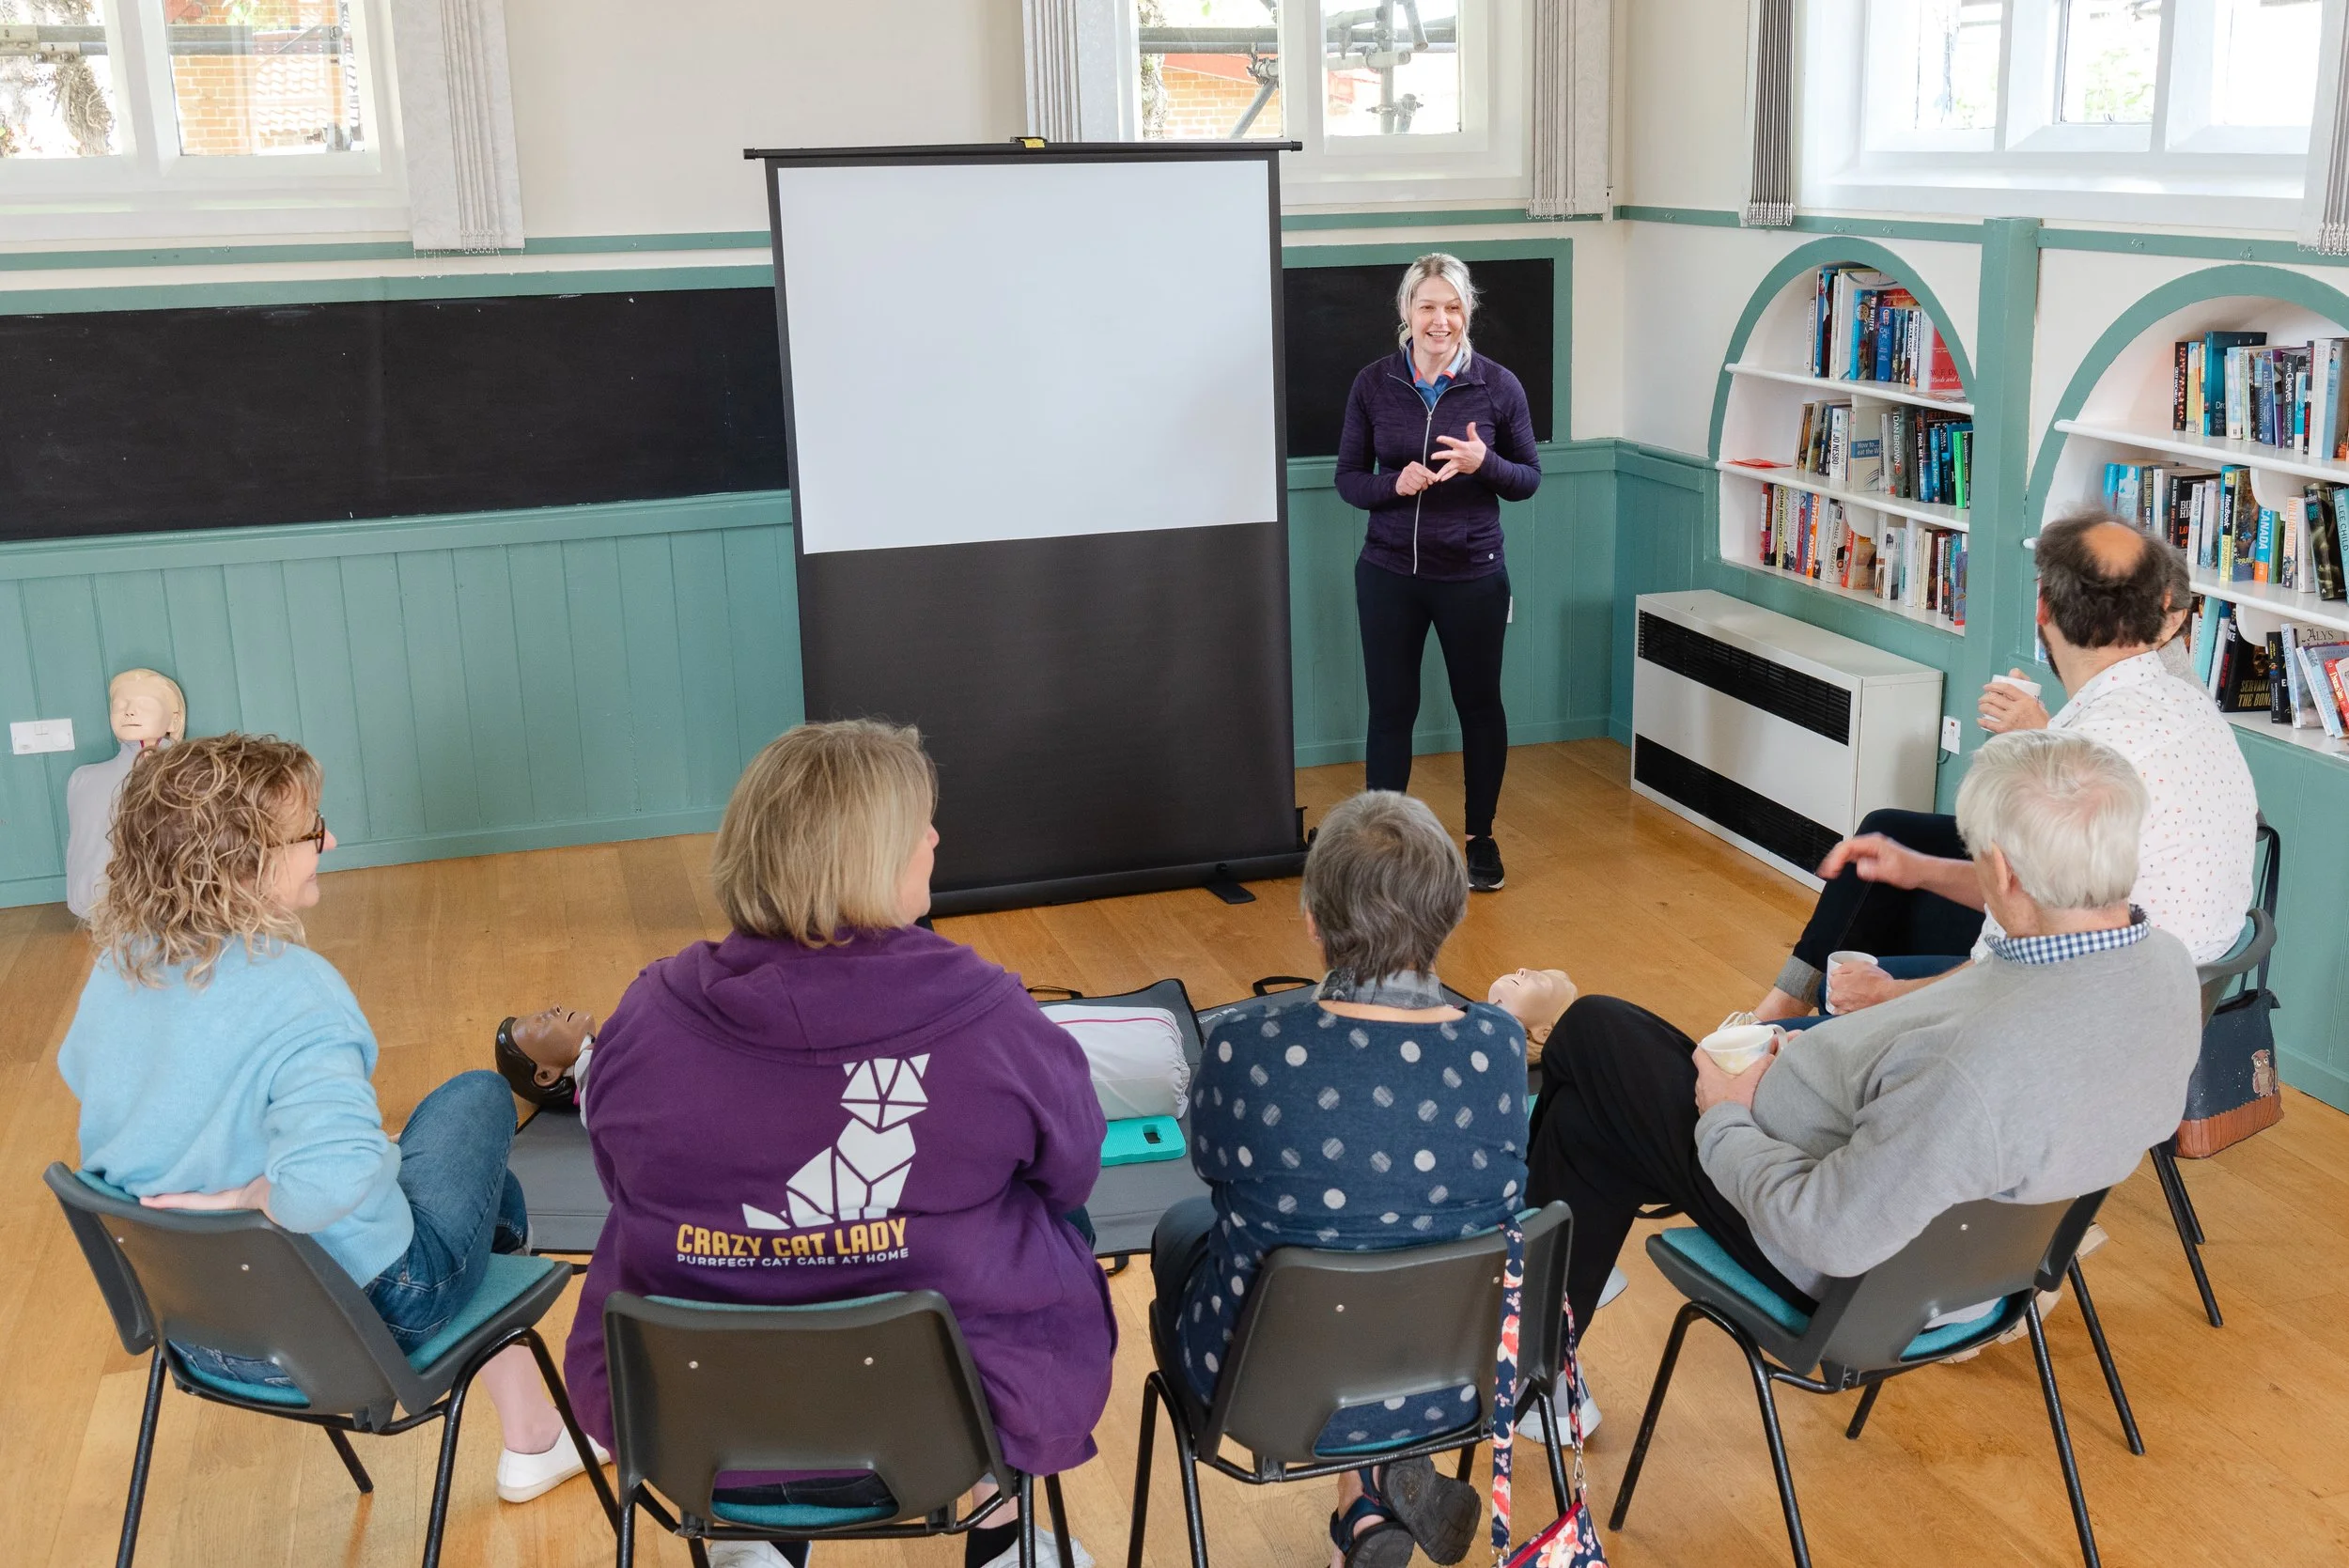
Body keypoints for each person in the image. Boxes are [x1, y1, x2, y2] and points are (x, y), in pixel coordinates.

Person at [532, 720, 1114, 1568]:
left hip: (693, 1416)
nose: (935, 839)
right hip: (955, 1414)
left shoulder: (645, 1017)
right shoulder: (992, 1018)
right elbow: (1074, 1168)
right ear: (871, 859)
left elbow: (619, 1176)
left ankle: (762, 1541)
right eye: (920, 825)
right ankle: (998, 1527)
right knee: (1056, 1224)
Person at [56, 735, 601, 1505]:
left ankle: (533, 1428)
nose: (330, 840)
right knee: (476, 1100)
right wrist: (250, 1198)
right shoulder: (296, 993)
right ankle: (534, 1433)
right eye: (311, 831)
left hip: (200, 1324)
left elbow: (89, 1080)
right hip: (360, 1323)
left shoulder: (120, 966)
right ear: (242, 862)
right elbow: (329, 1183)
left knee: (485, 1192)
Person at [1528, 729, 2203, 1333]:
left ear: (2001, 870)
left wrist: (1727, 1116)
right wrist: (1818, 1047)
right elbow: (1961, 1048)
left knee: (1593, 1031)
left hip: (1850, 1270)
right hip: (1984, 1257)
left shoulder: (1970, 1068)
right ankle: (1537, 1357)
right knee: (1583, 1126)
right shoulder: (2167, 967)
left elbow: (1828, 1231)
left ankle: (1507, 1290)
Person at [1151, 791, 1540, 1568]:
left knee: (1186, 1232)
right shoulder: (1498, 1045)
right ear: (1454, 912)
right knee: (1388, 1244)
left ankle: (1364, 1506)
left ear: (1311, 920)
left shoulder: (1244, 1046)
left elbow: (1209, 1161)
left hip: (1268, 1388)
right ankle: (1368, 1504)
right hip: (1459, 1377)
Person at [1754, 514, 2256, 1022]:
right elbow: (2042, 895)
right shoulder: (2184, 699)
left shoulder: (2083, 759)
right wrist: (1917, 870)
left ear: (2042, 606)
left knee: (1825, 1015)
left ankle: (1785, 1029)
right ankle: (1782, 1008)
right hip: (2182, 979)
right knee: (1893, 838)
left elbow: (2008, 970)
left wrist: (1885, 997)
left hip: (2094, 1008)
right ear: (2163, 614)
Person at [1335, 253, 1543, 893]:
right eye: (1427, 305)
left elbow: (1528, 479)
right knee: (1391, 710)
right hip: (1388, 572)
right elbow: (1347, 480)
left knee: (1479, 706)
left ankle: (1480, 839)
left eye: (1452, 307)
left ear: (1467, 313)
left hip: (1474, 576)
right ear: (1406, 312)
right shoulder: (1372, 384)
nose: (1440, 319)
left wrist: (1486, 463)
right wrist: (1392, 483)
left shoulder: (1498, 386)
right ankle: (1383, 849)